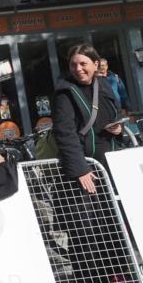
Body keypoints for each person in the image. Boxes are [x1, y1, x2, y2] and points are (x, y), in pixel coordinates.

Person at [52, 45, 123, 195]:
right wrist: (80, 169)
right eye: (73, 64)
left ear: (95, 64)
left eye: (83, 64)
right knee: (88, 214)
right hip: (85, 168)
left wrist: (118, 128)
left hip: (109, 163)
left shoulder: (104, 85)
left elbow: (114, 113)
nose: (78, 69)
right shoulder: (64, 92)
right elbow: (65, 133)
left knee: (114, 212)